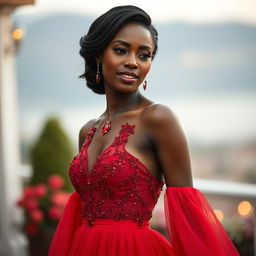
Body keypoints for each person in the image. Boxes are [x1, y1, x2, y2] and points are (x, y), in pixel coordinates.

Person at [48, 5, 240, 256]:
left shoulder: (159, 119)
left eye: (144, 55)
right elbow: (80, 210)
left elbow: (187, 212)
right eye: (120, 50)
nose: (132, 62)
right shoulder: (88, 131)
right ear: (98, 55)